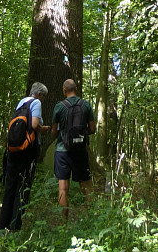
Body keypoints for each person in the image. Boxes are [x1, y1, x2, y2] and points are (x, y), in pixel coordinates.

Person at [0, 82, 50, 232]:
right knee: (23, 186)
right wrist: (43, 129)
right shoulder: (36, 103)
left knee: (10, 187)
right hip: (27, 150)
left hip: (13, 150)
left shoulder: (22, 102)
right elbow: (34, 125)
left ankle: (3, 225)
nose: (44, 100)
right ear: (40, 95)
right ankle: (15, 227)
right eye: (44, 97)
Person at [51, 78, 96, 221]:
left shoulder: (59, 106)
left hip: (62, 151)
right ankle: (91, 221)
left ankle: (64, 225)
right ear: (76, 89)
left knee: (63, 189)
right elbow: (93, 129)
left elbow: (54, 132)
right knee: (87, 187)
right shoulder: (86, 105)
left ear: (64, 90)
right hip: (80, 151)